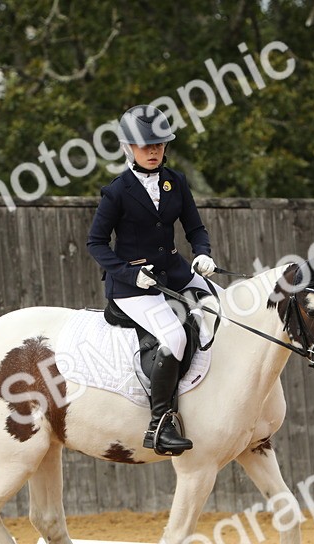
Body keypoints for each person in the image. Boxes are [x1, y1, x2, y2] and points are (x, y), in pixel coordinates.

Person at [86, 104, 218, 456]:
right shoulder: (116, 192)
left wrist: (202, 252)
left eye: (159, 145)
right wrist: (130, 274)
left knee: (222, 308)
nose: (154, 151)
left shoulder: (176, 181)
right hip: (133, 287)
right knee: (173, 336)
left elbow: (195, 228)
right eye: (146, 146)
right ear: (129, 148)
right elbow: (95, 243)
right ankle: (160, 424)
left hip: (174, 272)